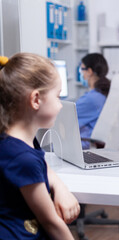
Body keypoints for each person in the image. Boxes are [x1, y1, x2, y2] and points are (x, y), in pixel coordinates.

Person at [0, 53, 80, 239]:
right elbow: (51, 222)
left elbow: (41, 164)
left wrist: (59, 187)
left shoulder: (15, 141)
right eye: (58, 97)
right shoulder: (22, 158)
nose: (60, 105)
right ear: (36, 99)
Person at [77, 53, 111, 149]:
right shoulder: (103, 93)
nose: (81, 73)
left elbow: (66, 116)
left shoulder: (92, 99)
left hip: (84, 145)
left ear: (89, 71)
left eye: (82, 69)